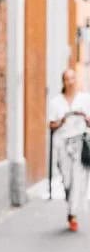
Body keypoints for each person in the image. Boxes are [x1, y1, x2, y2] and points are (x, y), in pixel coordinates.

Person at [49, 68, 90, 231]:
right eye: (67, 79)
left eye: (73, 78)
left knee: (77, 179)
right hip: (62, 144)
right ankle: (68, 195)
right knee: (67, 179)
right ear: (63, 81)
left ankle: (72, 214)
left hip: (79, 142)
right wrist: (63, 120)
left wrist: (85, 118)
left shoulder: (85, 99)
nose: (70, 82)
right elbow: (51, 125)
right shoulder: (56, 102)